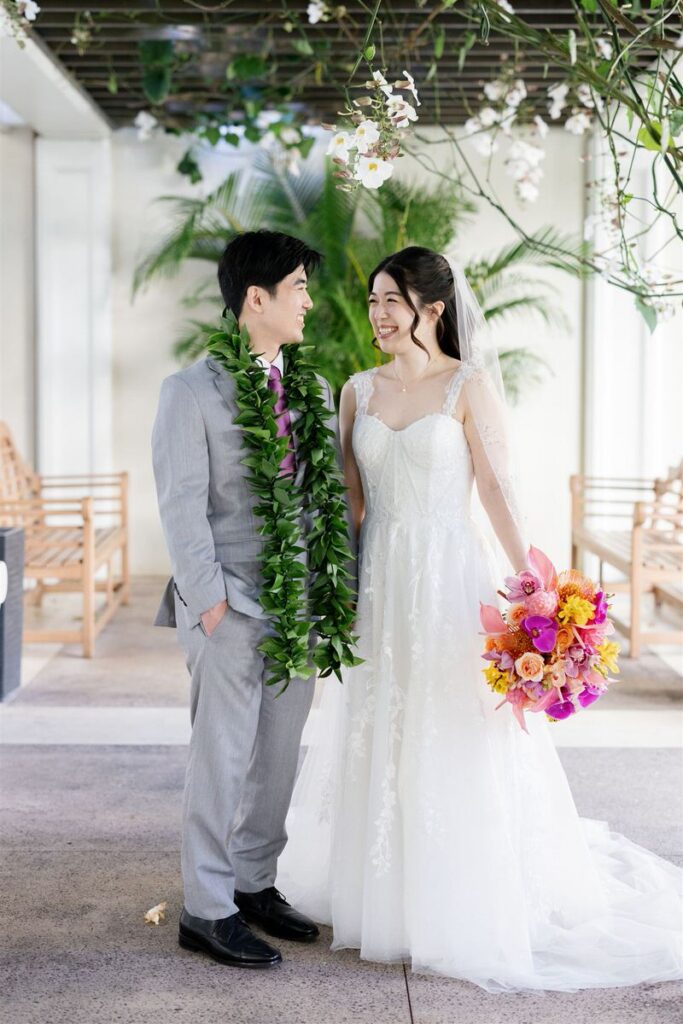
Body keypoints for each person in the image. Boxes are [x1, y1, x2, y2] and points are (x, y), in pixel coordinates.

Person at [276, 246, 683, 992]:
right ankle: (381, 892)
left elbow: (495, 489)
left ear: (432, 309)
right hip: (380, 585)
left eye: (390, 301)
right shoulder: (356, 391)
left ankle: (456, 894)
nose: (377, 316)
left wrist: (533, 578)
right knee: (380, 719)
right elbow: (351, 500)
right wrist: (331, 593)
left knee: (450, 723)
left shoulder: (467, 385)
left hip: (447, 581)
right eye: (371, 302)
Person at [152, 230, 348, 968]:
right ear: (254, 299)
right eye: (297, 286)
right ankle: (205, 908)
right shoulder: (189, 391)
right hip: (227, 602)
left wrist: (330, 593)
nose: (308, 300)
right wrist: (210, 606)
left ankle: (254, 883)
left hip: (295, 601)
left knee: (278, 756)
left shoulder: (313, 387)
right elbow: (180, 505)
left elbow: (322, 501)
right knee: (221, 757)